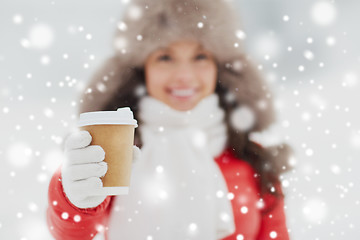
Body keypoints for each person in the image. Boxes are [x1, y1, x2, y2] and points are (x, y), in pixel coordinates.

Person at [47, 0, 293, 239]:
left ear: (220, 67)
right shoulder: (113, 152)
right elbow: (73, 234)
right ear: (142, 70)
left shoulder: (252, 161)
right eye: (165, 57)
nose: (184, 76)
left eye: (201, 57)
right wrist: (73, 196)